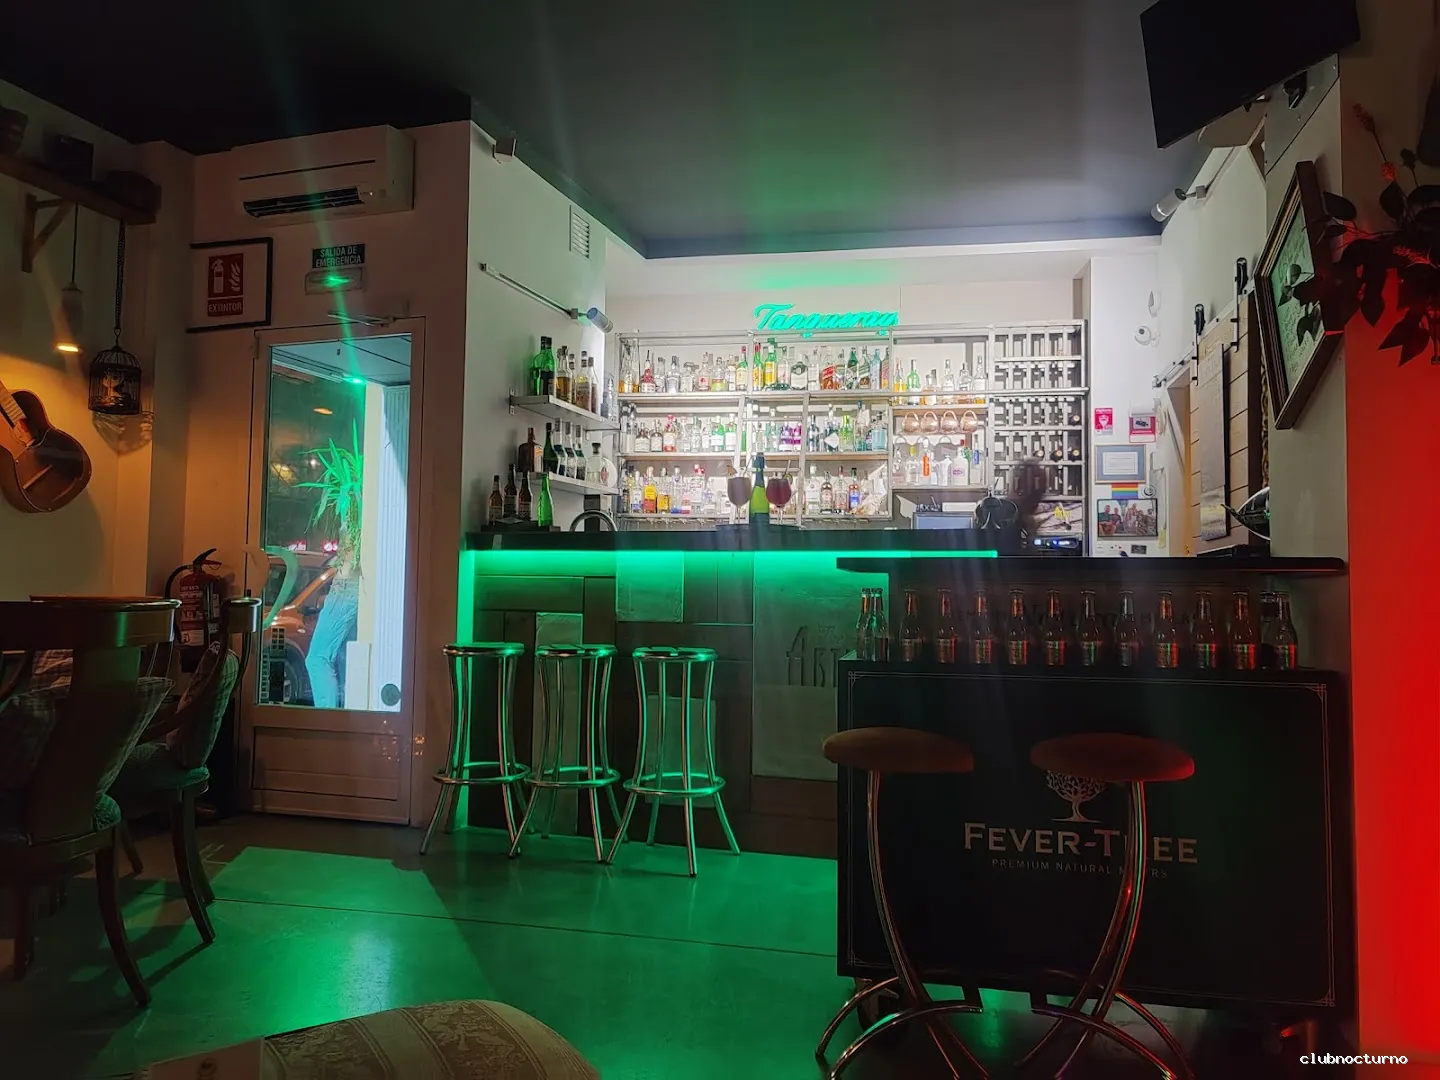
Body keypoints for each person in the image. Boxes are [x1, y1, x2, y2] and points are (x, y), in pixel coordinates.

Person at [305, 552, 359, 709]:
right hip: (355, 585)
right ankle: (343, 717)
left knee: (318, 659)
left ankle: (327, 719)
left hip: (346, 585)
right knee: (346, 659)